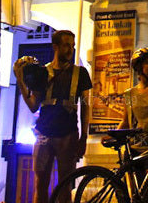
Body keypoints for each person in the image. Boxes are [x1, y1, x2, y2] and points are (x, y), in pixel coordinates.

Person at [14, 30, 92, 203]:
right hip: (43, 134)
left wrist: (84, 136)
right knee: (40, 184)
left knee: (66, 185)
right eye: (66, 45)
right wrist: (20, 82)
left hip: (68, 135)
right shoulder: (42, 73)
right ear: (55, 47)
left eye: (72, 45)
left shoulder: (81, 73)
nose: (70, 49)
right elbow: (33, 105)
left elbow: (86, 106)